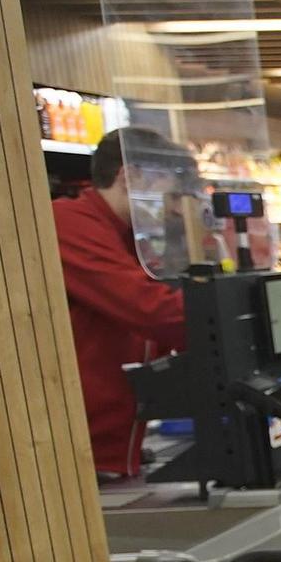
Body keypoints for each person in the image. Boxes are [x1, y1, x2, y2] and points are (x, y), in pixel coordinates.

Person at [51, 128, 194, 479]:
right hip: (80, 460)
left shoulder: (130, 239)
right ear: (129, 177)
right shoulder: (70, 224)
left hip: (116, 453)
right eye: (170, 193)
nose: (175, 209)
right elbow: (152, 310)